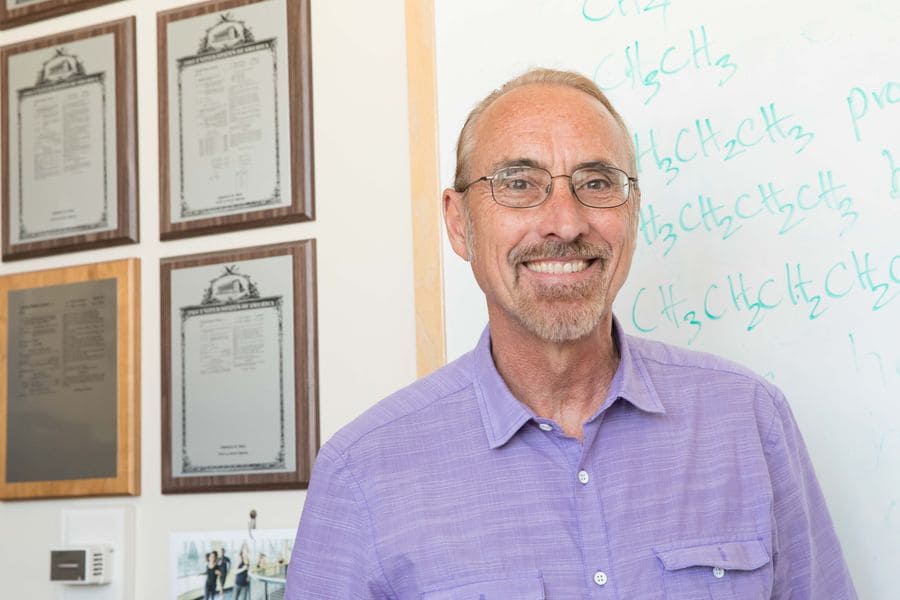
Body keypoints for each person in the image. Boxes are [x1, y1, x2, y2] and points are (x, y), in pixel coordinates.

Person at [284, 68, 857, 598]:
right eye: (519, 183)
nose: (565, 222)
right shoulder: (363, 472)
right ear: (460, 224)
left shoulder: (751, 422)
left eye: (598, 182)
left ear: (632, 215)